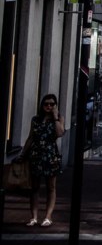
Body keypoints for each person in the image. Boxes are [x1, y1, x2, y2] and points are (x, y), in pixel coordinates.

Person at [20, 93, 64, 227]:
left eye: (52, 104)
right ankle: (33, 217)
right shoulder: (36, 119)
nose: (49, 106)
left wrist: (55, 118)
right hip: (36, 154)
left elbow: (60, 133)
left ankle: (48, 217)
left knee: (51, 187)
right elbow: (31, 137)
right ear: (42, 105)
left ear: (55, 106)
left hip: (50, 155)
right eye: (46, 104)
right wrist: (23, 154)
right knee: (34, 187)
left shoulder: (58, 118)